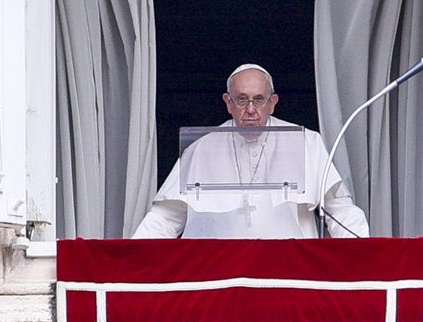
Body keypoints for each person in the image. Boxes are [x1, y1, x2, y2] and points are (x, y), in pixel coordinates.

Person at [132, 64, 369, 238]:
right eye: (242, 100)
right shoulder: (201, 149)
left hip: (288, 274)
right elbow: (165, 218)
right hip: (220, 277)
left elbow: (340, 211)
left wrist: (363, 255)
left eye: (259, 99)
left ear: (273, 102)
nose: (251, 109)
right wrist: (130, 259)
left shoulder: (307, 142)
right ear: (228, 103)